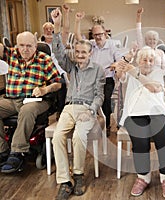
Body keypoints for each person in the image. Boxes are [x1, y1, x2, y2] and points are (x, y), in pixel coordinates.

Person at [51, 8, 105, 200]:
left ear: (90, 54)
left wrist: (91, 110)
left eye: (84, 52)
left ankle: (79, 175)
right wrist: (57, 27)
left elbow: (100, 96)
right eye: (78, 52)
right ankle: (65, 181)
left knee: (79, 136)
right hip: (69, 107)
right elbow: (57, 52)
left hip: (87, 108)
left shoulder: (98, 70)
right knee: (57, 137)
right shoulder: (71, 66)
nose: (80, 55)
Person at [115, 46, 165, 199]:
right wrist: (127, 58)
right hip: (134, 112)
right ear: (138, 61)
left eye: (151, 60)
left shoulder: (158, 73)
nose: (148, 63)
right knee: (140, 140)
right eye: (144, 60)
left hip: (158, 111)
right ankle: (143, 177)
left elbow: (154, 87)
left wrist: (135, 72)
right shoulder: (130, 72)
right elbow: (119, 74)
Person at [0, 31, 61, 173]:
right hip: (11, 100)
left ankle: (17, 152)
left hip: (37, 101)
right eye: (21, 45)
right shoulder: (11, 55)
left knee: (26, 110)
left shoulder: (44, 59)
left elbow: (58, 83)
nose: (25, 49)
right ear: (16, 46)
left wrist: (45, 89)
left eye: (29, 46)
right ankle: (2, 150)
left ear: (35, 46)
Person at [74, 11, 122, 136]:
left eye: (100, 34)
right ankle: (90, 122)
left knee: (104, 100)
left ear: (105, 33)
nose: (98, 37)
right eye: (95, 35)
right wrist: (78, 21)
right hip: (91, 78)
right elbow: (78, 37)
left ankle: (105, 125)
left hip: (107, 79)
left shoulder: (112, 46)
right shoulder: (91, 45)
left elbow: (119, 61)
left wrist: (115, 65)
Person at [136, 8, 165, 73]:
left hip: (157, 77)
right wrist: (139, 16)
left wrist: (157, 75)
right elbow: (138, 32)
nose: (152, 41)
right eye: (150, 39)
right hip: (144, 77)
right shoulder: (143, 49)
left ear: (157, 41)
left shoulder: (161, 52)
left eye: (154, 39)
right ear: (146, 40)